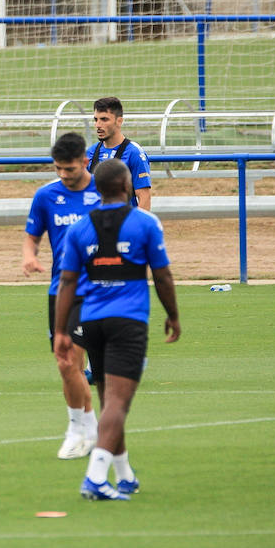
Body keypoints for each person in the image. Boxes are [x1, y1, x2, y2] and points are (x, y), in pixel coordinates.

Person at [53, 159, 180, 501]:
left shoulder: (80, 228)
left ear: (96, 188)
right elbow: (163, 276)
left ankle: (124, 476)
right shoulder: (145, 223)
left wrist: (63, 331)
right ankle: (95, 477)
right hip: (128, 323)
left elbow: (66, 282)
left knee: (110, 401)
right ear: (127, 187)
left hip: (90, 322)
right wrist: (173, 315)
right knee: (118, 404)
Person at [22, 132, 101, 460]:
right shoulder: (45, 196)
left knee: (73, 359)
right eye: (58, 169)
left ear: (85, 162)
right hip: (62, 289)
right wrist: (29, 255)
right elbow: (32, 236)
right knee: (66, 363)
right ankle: (85, 426)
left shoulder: (105, 192)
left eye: (69, 169)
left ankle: (79, 430)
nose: (63, 175)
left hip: (98, 290)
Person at [86, 96, 152, 210]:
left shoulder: (134, 153)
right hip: (97, 224)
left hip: (123, 224)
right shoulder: (90, 152)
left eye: (104, 119)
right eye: (96, 120)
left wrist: (134, 226)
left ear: (119, 121)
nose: (98, 125)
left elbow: (144, 197)